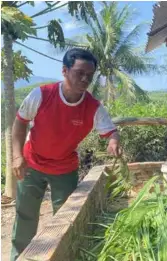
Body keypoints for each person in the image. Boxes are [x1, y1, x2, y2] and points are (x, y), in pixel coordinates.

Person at [10, 48, 121, 260]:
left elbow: (111, 131)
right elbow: (20, 123)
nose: (85, 79)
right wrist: (17, 157)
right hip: (32, 163)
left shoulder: (93, 107)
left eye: (89, 75)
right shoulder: (42, 95)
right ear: (64, 70)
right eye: (80, 72)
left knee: (65, 219)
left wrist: (114, 140)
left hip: (64, 167)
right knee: (25, 216)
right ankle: (18, 257)